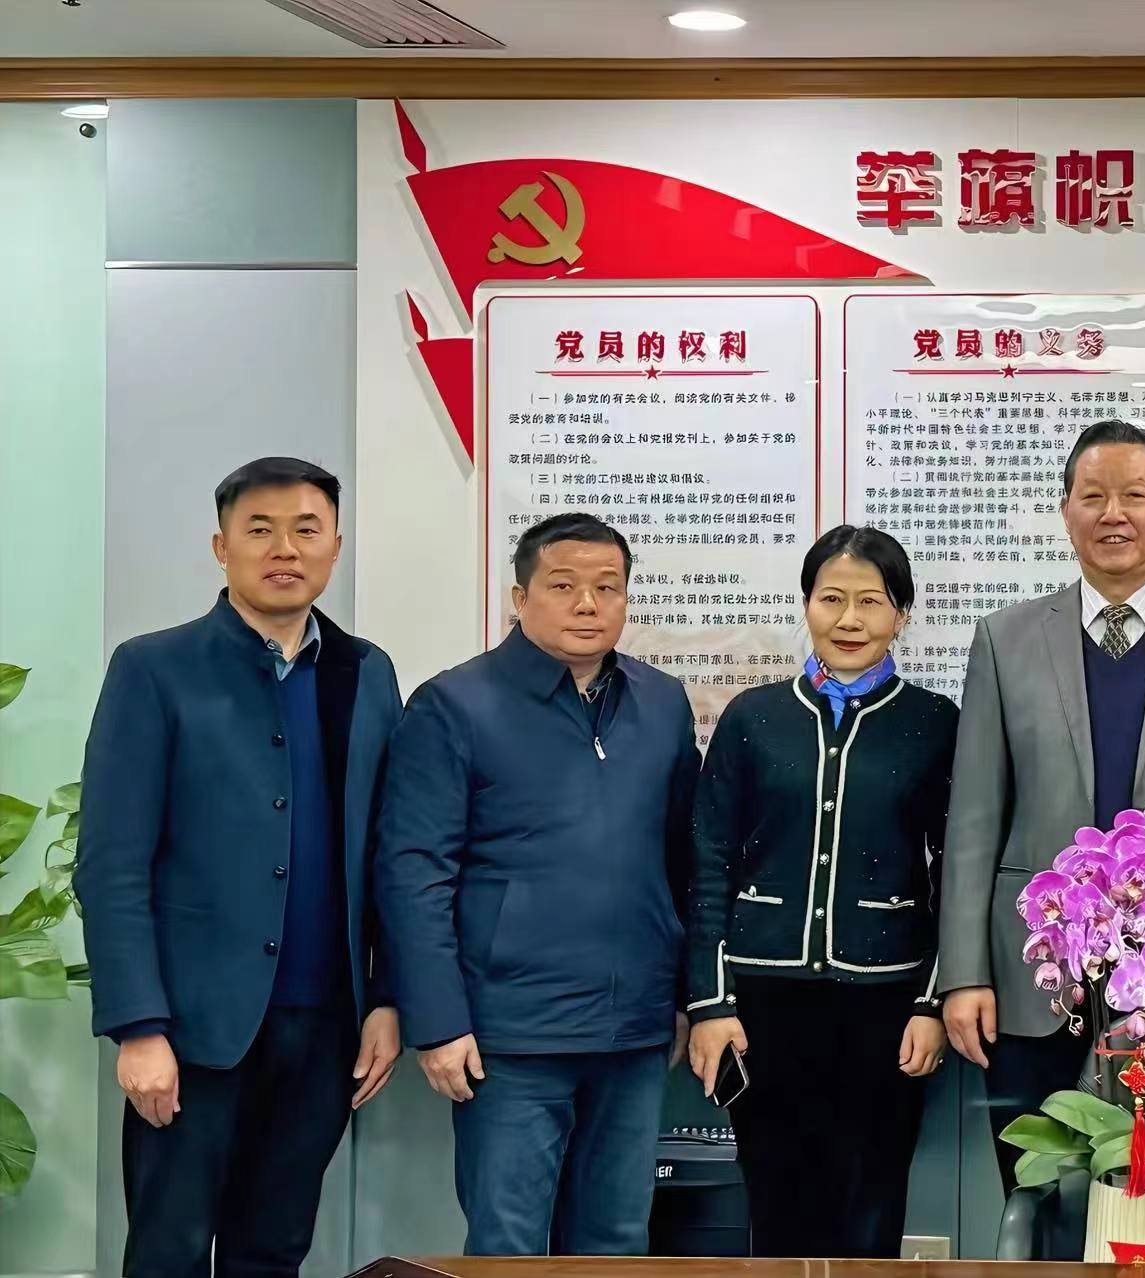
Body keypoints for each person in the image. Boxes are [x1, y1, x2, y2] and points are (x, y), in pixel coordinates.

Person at [74, 457, 406, 1278]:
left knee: (275, 1249)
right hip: (193, 1030)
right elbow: (112, 865)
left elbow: (388, 851)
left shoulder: (366, 672)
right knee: (171, 1251)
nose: (284, 548)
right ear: (221, 547)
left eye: (306, 530)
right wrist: (139, 1027)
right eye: (260, 530)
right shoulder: (155, 667)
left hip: (325, 1026)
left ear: (335, 547)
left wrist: (387, 998)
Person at [936, 418, 1145, 1194]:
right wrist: (964, 974)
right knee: (1037, 1199)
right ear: (1066, 512)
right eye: (1092, 497)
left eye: (1134, 495)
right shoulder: (1006, 640)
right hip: (1032, 978)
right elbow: (975, 819)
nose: (1113, 514)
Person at [375, 512, 700, 1257]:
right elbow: (413, 872)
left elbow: (685, 860)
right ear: (519, 598)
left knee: (616, 1243)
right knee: (507, 1246)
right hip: (508, 1036)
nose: (588, 604)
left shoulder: (661, 702)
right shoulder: (454, 705)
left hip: (634, 1028)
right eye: (563, 586)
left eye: (607, 588)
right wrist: (439, 1020)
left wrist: (684, 997)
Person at [682, 526, 956, 1258]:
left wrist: (932, 1004)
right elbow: (709, 861)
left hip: (887, 1004)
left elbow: (956, 871)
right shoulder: (754, 718)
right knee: (775, 1199)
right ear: (806, 604)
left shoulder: (933, 722)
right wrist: (710, 1004)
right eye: (831, 598)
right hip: (763, 1004)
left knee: (873, 1200)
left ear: (901, 613)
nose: (849, 619)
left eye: (871, 601)